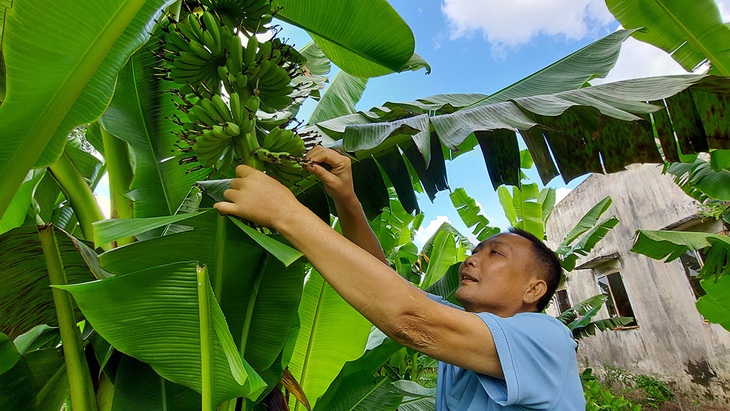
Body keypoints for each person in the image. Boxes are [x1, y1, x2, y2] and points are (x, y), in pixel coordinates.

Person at [214, 146, 586, 410]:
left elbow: (409, 318)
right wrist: (347, 198)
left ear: (533, 289)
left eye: (495, 253)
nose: (472, 260)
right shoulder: (467, 331)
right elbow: (382, 281)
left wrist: (285, 214)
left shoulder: (547, 339)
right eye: (475, 250)